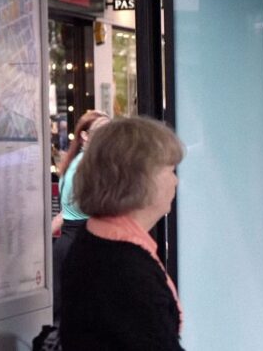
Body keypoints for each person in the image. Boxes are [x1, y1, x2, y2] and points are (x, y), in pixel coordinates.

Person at [60, 116, 185, 350]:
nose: (176, 181)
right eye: (169, 170)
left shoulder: (99, 240)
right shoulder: (123, 267)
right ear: (140, 179)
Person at [52, 110, 109, 322]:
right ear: (85, 136)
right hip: (83, 243)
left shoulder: (75, 163)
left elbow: (65, 213)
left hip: (68, 242)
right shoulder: (89, 167)